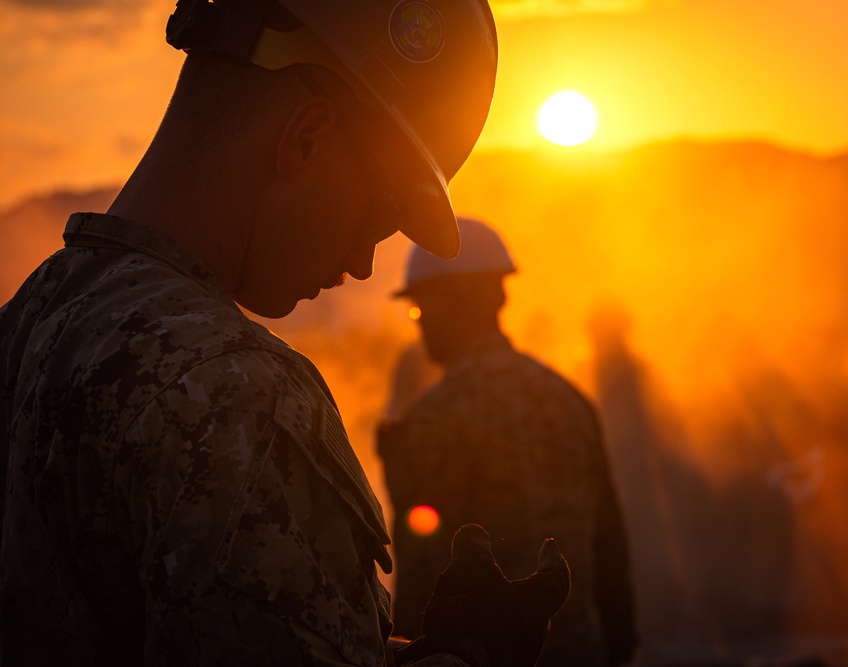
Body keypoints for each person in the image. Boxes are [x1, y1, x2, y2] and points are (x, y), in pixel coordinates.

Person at [0, 0, 567, 664]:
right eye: (376, 219)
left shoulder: (30, 316)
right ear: (305, 137)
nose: (362, 262)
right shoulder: (241, 398)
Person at [378, 217, 638, 666]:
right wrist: (617, 645)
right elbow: (608, 545)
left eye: (418, 309)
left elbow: (423, 569)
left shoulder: (435, 417)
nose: (417, 325)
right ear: (498, 295)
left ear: (445, 303)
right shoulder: (568, 400)